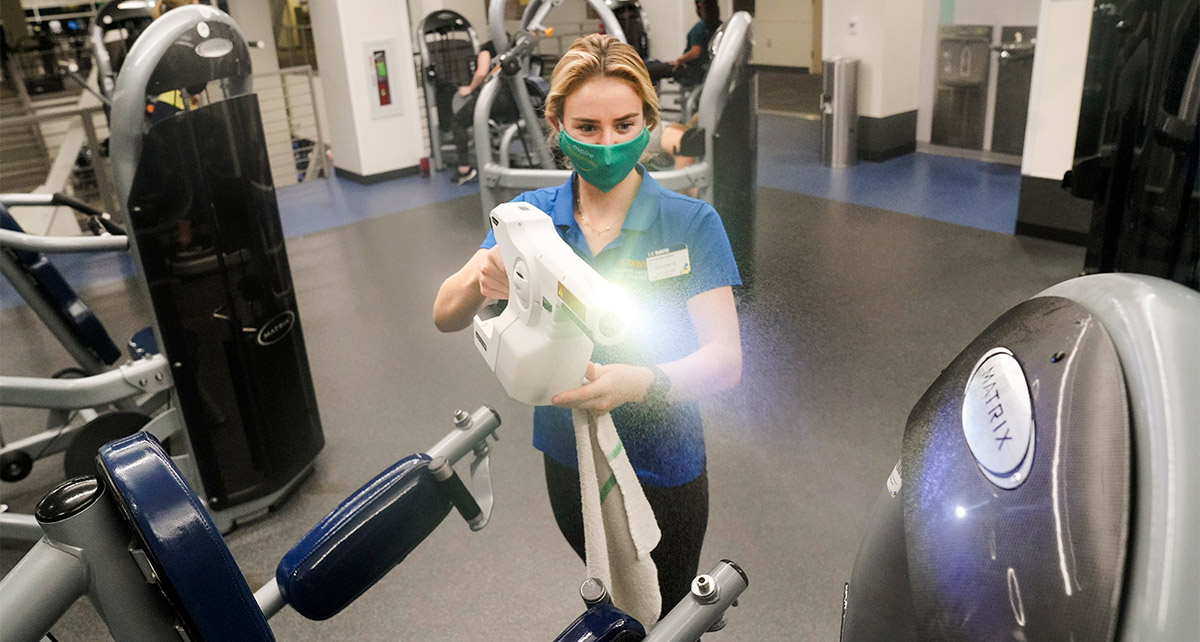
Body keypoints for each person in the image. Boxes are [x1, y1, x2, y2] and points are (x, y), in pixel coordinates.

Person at [432, 33, 742, 616]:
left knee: (670, 612)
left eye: (625, 126)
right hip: (568, 458)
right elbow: (444, 315)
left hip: (663, 463)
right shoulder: (534, 221)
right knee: (615, 604)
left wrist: (642, 381)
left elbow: (725, 362)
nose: (607, 145)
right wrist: (482, 277)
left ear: (649, 122)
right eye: (588, 128)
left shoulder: (692, 222)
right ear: (556, 123)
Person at [446, 40, 519, 185]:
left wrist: (470, 88)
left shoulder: (486, 49)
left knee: (457, 121)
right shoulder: (515, 49)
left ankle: (464, 169)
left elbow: (481, 72)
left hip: (497, 98)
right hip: (516, 100)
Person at [644, 0, 721, 86]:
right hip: (703, 71)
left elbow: (695, 52)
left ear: (700, 6)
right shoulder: (719, 26)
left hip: (691, 70)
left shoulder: (701, 27)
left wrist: (680, 60)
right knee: (653, 63)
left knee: (647, 68)